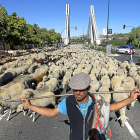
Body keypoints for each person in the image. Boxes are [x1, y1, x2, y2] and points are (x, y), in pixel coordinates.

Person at [20, 72, 140, 140]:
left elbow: (112, 107)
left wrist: (130, 99)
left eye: (81, 90)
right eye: (75, 89)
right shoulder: (67, 102)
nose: (77, 92)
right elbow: (51, 113)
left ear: (88, 88)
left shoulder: (97, 101)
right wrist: (30, 106)